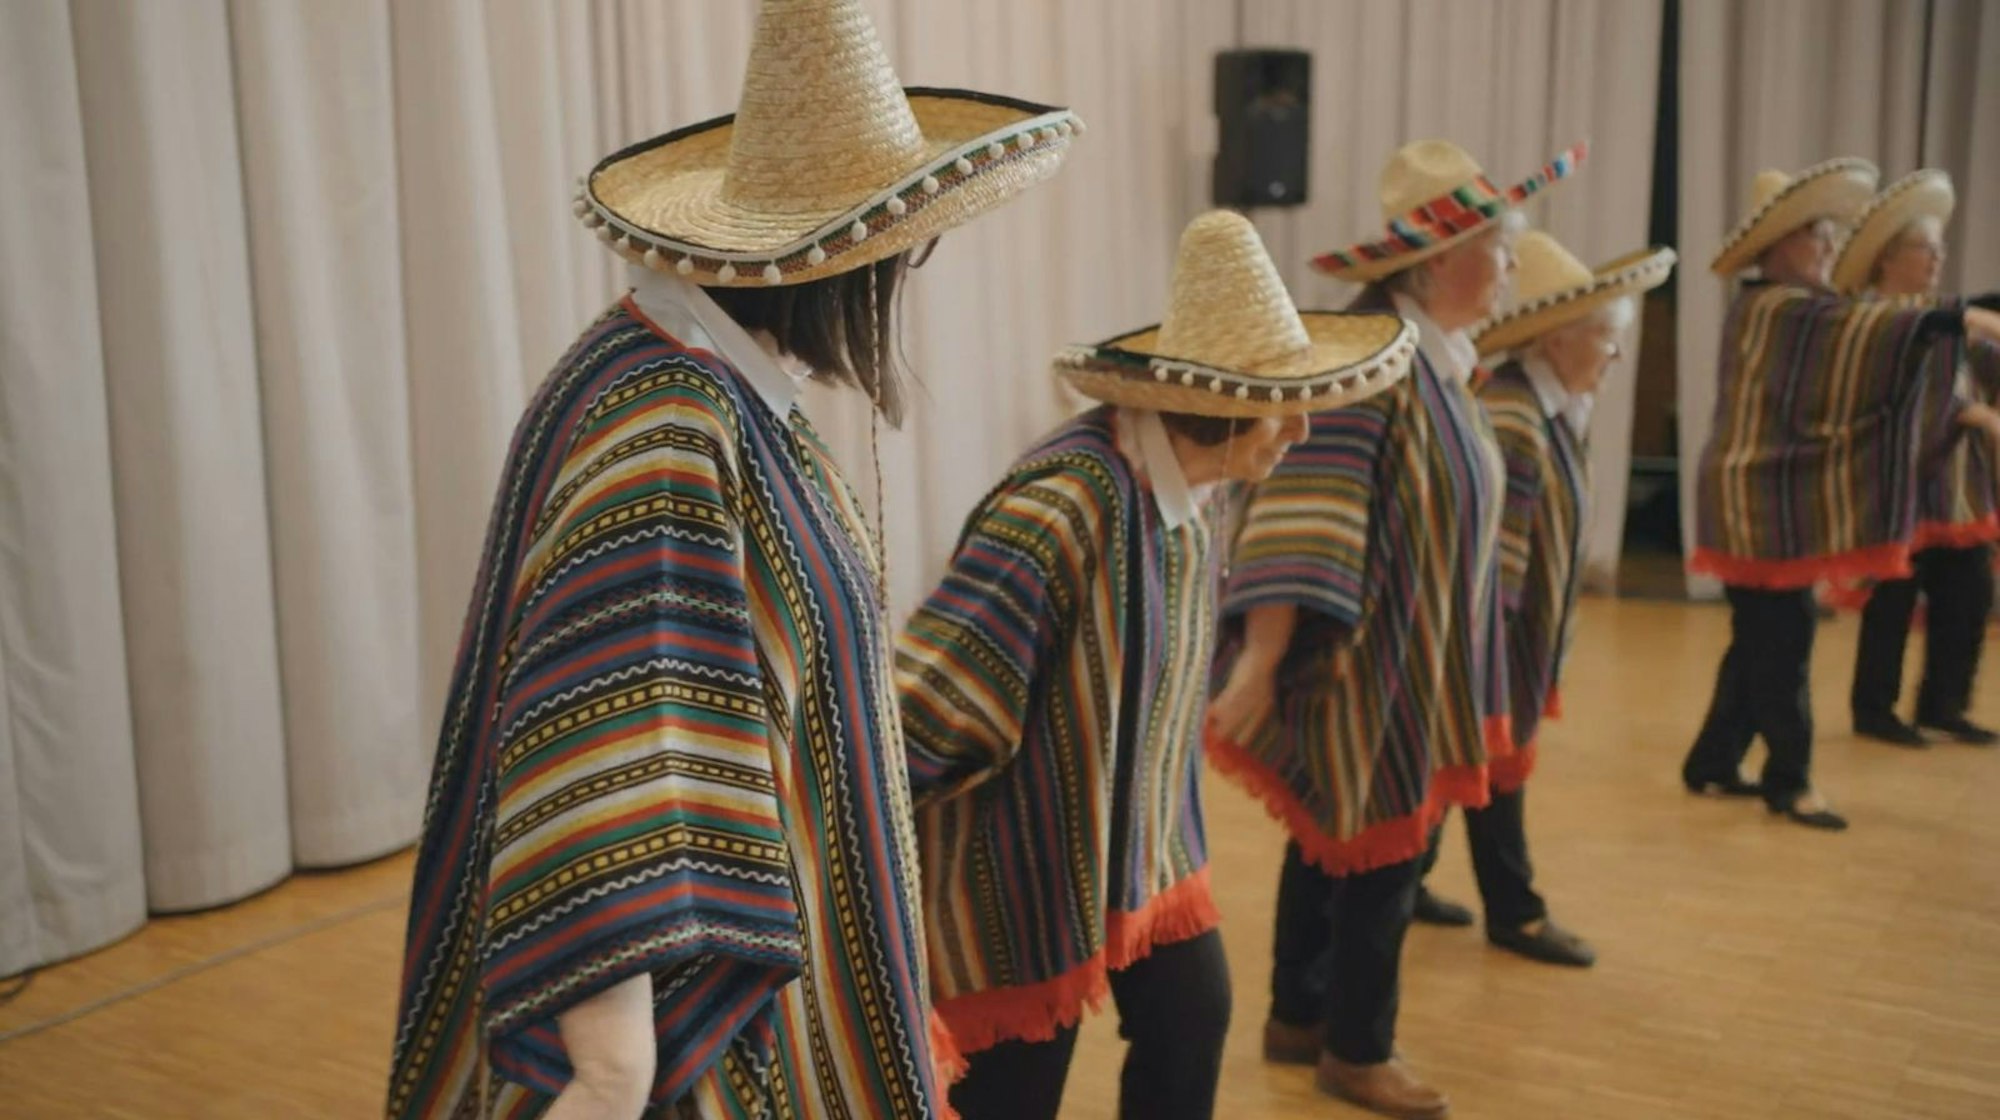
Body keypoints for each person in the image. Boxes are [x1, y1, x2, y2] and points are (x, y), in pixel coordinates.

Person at [384, 2, 1079, 1116]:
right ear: (845, 261)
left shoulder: (694, 384)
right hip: (686, 1031)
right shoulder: (666, 423)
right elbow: (607, 734)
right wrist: (610, 1065)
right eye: (901, 252)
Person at [897, 211, 1415, 1120]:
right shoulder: (1066, 504)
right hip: (1021, 863)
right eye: (1282, 402)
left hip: (1145, 843)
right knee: (1017, 1091)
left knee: (1192, 1015)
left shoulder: (1201, 490)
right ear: (1220, 403)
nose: (1302, 429)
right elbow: (934, 698)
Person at [1207, 138, 1586, 1120]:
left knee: (1337, 842)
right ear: (1436, 265)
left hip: (1409, 658)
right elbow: (1303, 511)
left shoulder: (1431, 361)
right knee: (1378, 852)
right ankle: (1356, 1049)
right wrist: (1260, 660)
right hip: (1366, 666)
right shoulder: (1370, 362)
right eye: (1498, 250)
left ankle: (1299, 1015)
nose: (1510, 267)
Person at [1682, 160, 2000, 833]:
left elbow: (1868, 333)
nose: (1830, 245)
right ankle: (1790, 781)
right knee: (1782, 640)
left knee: (1761, 639)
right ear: (1779, 246)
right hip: (1753, 506)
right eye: (1817, 234)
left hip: (1758, 503)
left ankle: (1712, 760)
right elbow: (1872, 330)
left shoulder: (1792, 308)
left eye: (1829, 232)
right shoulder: (1782, 309)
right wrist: (1968, 319)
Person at [1408, 233, 1676, 968]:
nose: (1616, 356)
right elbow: (1496, 567)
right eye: (1606, 338)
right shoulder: (1517, 417)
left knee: (1475, 770)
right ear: (1558, 340)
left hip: (1514, 644)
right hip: (1496, 644)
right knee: (1489, 768)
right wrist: (1492, 670)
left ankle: (1417, 881)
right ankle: (1515, 912)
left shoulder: (1550, 408)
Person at [1831, 171, 2000, 748]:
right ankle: (1874, 709)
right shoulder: (1868, 319)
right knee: (1891, 603)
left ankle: (1944, 705)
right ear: (1887, 258)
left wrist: (1983, 411)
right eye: (1926, 248)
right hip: (1891, 484)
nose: (1938, 258)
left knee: (1967, 595)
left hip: (1954, 489)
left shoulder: (1952, 318)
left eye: (1939, 248)